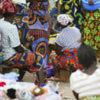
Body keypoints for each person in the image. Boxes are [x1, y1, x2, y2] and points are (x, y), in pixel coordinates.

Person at [0, 1, 43, 81]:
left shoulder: (1, 22)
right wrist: (28, 51)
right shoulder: (11, 27)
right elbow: (17, 48)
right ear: (14, 13)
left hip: (2, 54)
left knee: (26, 55)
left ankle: (19, 78)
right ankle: (41, 83)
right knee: (38, 58)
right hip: (9, 57)